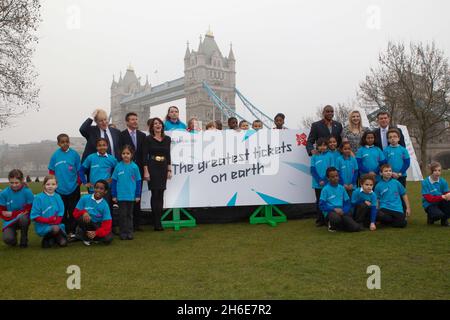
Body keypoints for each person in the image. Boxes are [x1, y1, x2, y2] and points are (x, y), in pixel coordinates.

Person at [48, 134, 81, 240]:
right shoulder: (55, 156)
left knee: (73, 211)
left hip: (73, 188)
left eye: (67, 141)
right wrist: (53, 185)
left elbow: (79, 170)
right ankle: (63, 231)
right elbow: (51, 171)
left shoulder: (74, 154)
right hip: (59, 190)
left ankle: (73, 232)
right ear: (58, 143)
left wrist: (78, 183)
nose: (65, 143)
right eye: (62, 142)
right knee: (62, 211)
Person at [142, 118, 172, 231]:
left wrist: (169, 170)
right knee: (155, 194)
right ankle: (156, 223)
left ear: (162, 126)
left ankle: (159, 221)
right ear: (152, 127)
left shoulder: (167, 139)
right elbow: (144, 156)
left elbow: (168, 155)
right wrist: (146, 171)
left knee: (161, 194)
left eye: (159, 123)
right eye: (155, 124)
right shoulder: (148, 139)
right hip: (152, 166)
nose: (157, 125)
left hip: (163, 167)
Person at [119, 112, 146, 232]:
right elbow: (120, 152)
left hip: (138, 168)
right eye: (132, 119)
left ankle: (137, 224)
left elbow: (144, 154)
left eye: (136, 119)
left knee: (137, 195)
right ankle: (126, 225)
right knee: (127, 197)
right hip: (126, 168)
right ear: (127, 122)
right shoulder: (121, 135)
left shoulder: (142, 135)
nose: (135, 121)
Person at [111, 145, 142, 240]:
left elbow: (138, 181)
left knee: (129, 215)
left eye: (128, 153)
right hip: (121, 197)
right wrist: (114, 195)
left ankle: (129, 232)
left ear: (131, 155)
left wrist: (137, 195)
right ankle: (123, 232)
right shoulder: (118, 166)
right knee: (122, 215)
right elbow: (114, 181)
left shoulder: (134, 167)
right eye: (123, 153)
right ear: (121, 155)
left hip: (131, 196)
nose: (125, 155)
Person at [319, 167, 361, 232]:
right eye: (332, 177)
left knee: (355, 228)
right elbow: (322, 206)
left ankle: (341, 226)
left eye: (336, 176)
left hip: (342, 211)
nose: (335, 178)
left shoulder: (341, 188)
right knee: (336, 218)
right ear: (328, 178)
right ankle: (331, 224)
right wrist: (334, 209)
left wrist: (343, 210)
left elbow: (347, 202)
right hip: (330, 212)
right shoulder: (325, 189)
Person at [30, 175, 67, 248]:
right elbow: (34, 216)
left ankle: (54, 237)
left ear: (56, 186)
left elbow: (61, 211)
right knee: (54, 230)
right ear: (44, 185)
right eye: (48, 184)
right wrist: (48, 220)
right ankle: (46, 239)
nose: (50, 186)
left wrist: (57, 221)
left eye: (53, 184)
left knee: (63, 243)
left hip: (56, 224)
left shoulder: (58, 196)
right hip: (43, 226)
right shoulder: (38, 197)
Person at [73, 180, 113, 245]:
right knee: (82, 218)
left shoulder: (105, 205)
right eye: (96, 188)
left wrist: (96, 232)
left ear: (105, 191)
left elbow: (107, 224)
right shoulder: (85, 198)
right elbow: (75, 213)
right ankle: (86, 237)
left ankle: (88, 236)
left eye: (101, 189)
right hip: (87, 223)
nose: (98, 190)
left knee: (108, 239)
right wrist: (84, 212)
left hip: (98, 226)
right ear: (94, 188)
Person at [0, 169, 34, 248]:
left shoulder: (27, 192)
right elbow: (2, 212)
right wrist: (12, 217)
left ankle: (24, 240)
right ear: (9, 181)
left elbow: (28, 210)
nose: (14, 185)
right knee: (7, 239)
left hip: (22, 219)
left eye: (16, 182)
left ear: (22, 180)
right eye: (12, 182)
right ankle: (13, 238)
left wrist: (12, 214)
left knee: (23, 218)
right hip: (10, 221)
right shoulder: (4, 193)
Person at [374, 164, 411, 228]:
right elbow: (377, 199)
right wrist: (376, 210)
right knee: (379, 215)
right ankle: (386, 221)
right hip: (384, 208)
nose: (388, 172)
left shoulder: (396, 182)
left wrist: (408, 208)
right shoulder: (378, 185)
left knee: (402, 224)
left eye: (390, 171)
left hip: (397, 208)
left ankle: (387, 222)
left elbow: (404, 194)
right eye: (386, 171)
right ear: (381, 173)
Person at [310, 137, 333, 227]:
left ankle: (328, 219)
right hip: (317, 184)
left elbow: (331, 169)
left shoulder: (330, 155)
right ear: (317, 146)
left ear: (327, 146)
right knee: (320, 201)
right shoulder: (314, 156)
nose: (322, 147)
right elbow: (312, 170)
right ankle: (320, 220)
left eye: (324, 145)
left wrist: (325, 179)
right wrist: (319, 180)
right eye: (320, 146)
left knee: (328, 201)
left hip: (327, 183)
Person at [421, 162, 450, 226]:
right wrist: (442, 197)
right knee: (438, 215)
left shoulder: (443, 181)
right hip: (429, 204)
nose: (437, 172)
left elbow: (447, 192)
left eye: (439, 170)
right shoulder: (425, 182)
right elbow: (429, 199)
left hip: (440, 202)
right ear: (431, 171)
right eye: (435, 170)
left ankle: (444, 221)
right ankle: (431, 218)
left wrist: (448, 195)